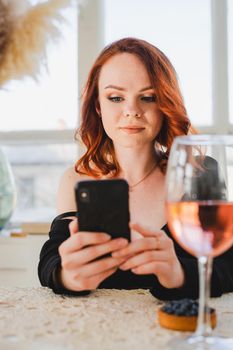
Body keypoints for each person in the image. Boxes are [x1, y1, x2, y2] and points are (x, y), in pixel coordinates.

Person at [38, 37, 233, 299]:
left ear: (165, 105)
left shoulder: (200, 172)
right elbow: (51, 260)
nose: (132, 110)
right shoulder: (76, 179)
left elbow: (226, 267)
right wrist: (66, 276)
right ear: (98, 106)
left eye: (148, 97)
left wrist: (177, 274)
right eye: (116, 97)